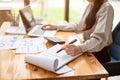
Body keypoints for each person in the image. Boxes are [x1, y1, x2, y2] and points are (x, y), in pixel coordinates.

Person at [42, 0, 114, 64]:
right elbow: (79, 26)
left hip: (99, 53)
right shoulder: (90, 5)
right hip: (87, 48)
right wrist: (56, 27)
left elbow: (99, 39)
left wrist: (79, 48)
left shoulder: (106, 8)